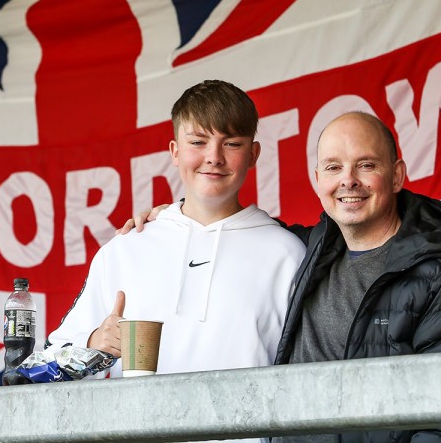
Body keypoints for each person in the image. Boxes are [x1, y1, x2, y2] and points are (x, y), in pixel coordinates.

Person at [124, 111, 441, 443]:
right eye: (334, 167)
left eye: (365, 165)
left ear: (396, 176)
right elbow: (240, 232)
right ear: (318, 179)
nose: (348, 181)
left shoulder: (439, 278)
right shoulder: (307, 250)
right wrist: (176, 218)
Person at [46, 80, 305, 394]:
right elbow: (42, 369)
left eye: (232, 144)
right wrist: (93, 344)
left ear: (253, 154)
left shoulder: (289, 255)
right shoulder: (126, 248)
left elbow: (306, 378)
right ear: (175, 152)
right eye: (197, 142)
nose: (214, 157)